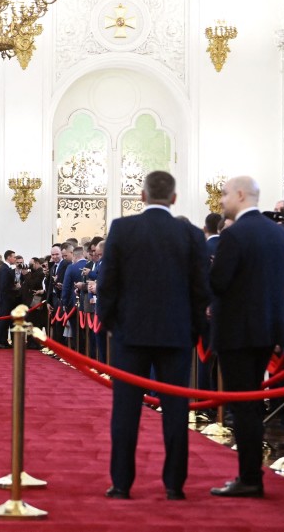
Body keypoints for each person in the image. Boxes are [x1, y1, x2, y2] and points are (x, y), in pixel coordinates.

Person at [99, 171, 207, 501]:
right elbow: (201, 290)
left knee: (125, 412)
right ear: (174, 198)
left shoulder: (122, 228)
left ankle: (121, 484)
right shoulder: (190, 233)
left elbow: (108, 284)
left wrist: (111, 323)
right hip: (176, 336)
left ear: (142, 196)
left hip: (130, 334)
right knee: (176, 411)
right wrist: (193, 331)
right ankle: (175, 485)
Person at [207, 175, 284, 498]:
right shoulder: (279, 234)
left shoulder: (235, 235)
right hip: (268, 329)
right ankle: (251, 473)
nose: (221, 200)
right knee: (253, 404)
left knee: (243, 406)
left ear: (241, 195)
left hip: (236, 332)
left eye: (225, 194)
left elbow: (219, 282)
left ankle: (249, 476)